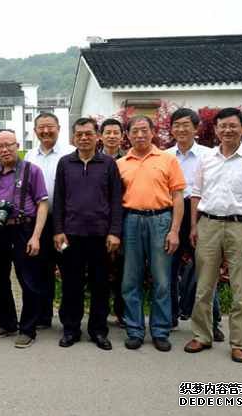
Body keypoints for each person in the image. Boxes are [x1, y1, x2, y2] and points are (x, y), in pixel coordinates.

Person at [185, 108, 242, 363]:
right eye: (222, 126)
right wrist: (194, 226)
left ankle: (239, 343)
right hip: (208, 225)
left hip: (241, 227)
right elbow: (196, 194)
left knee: (241, 288)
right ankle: (202, 335)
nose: (227, 130)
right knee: (203, 286)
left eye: (233, 125)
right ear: (215, 129)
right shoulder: (206, 159)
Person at [53, 118, 123, 350]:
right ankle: (71, 329)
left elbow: (116, 200)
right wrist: (58, 230)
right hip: (71, 235)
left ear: (97, 136)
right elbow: (59, 198)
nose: (84, 138)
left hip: (100, 236)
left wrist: (115, 232)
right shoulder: (65, 163)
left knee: (100, 285)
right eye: (79, 134)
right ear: (73, 137)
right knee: (71, 284)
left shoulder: (108, 164)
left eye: (88, 134)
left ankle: (98, 330)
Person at [117, 115, 185, 352]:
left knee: (162, 280)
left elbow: (178, 197)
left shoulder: (168, 159)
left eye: (144, 130)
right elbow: (115, 200)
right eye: (134, 131)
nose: (139, 135)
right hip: (131, 221)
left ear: (153, 132)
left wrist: (174, 230)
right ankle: (134, 330)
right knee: (130, 279)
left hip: (161, 220)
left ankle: (160, 330)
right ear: (127, 135)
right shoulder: (121, 163)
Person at [0, 130, 49, 349]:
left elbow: (42, 204)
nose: (4, 150)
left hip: (24, 228)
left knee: (28, 279)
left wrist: (36, 236)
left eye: (9, 145)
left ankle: (28, 329)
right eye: (0, 146)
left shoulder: (32, 170)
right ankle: (7, 322)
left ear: (17, 146)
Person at [165, 108, 223, 340]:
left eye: (186, 125)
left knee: (206, 271)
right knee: (168, 270)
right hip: (172, 215)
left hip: (201, 214)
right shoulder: (164, 156)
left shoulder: (209, 155)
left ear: (196, 128)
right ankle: (169, 318)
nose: (181, 129)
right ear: (171, 129)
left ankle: (212, 322)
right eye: (176, 125)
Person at [24, 112, 75, 329]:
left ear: (59, 128)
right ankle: (43, 316)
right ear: (35, 131)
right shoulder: (29, 156)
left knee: (67, 267)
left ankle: (68, 319)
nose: (46, 131)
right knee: (41, 269)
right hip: (39, 224)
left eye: (50, 127)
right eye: (41, 128)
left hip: (64, 223)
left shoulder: (70, 153)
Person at [100, 118, 127, 327]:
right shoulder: (94, 160)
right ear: (100, 136)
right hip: (98, 223)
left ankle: (121, 312)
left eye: (115, 132)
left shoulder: (129, 159)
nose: (111, 136)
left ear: (122, 136)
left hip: (124, 221)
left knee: (122, 270)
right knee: (100, 270)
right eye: (107, 132)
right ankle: (100, 312)